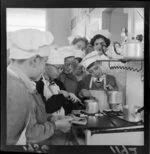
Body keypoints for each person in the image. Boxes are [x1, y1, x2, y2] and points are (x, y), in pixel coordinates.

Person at [7, 29, 71, 145]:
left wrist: (50, 118)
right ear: (34, 61)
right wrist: (55, 125)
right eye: (44, 62)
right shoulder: (16, 89)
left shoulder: (23, 83)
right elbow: (28, 135)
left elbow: (31, 116)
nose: (44, 69)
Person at [36, 48, 80, 115]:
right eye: (58, 68)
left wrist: (69, 97)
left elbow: (65, 108)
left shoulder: (58, 83)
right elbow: (45, 109)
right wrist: (62, 96)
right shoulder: (38, 83)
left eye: (61, 68)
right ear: (46, 66)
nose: (60, 71)